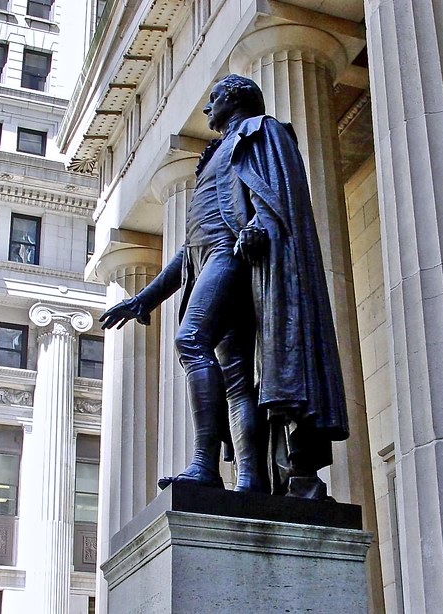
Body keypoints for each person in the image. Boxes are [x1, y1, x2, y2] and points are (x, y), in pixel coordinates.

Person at [100, 74, 347, 500]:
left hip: (235, 255)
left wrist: (259, 225)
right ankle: (249, 481)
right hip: (213, 257)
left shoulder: (261, 130)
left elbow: (281, 196)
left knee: (190, 340)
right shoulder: (214, 155)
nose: (205, 108)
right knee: (236, 380)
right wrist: (144, 298)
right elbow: (191, 249)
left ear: (234, 98)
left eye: (212, 98)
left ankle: (204, 465)